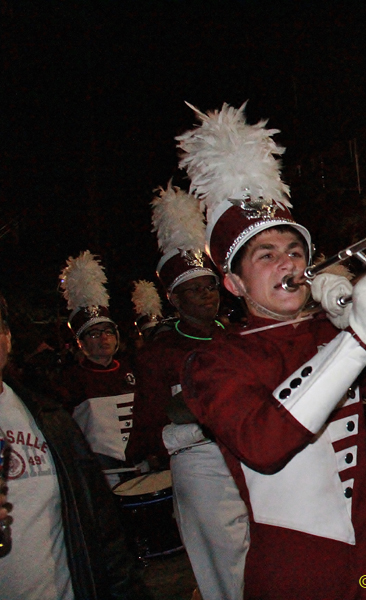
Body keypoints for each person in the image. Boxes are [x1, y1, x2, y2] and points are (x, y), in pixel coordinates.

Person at [177, 102, 366, 599]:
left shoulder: (333, 332)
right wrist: (360, 337)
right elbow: (264, 444)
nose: (288, 263)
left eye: (295, 251)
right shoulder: (213, 361)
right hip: (292, 570)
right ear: (234, 283)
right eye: (266, 255)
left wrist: (361, 324)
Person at [126, 182, 250, 600]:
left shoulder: (235, 336)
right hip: (201, 470)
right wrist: (193, 429)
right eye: (193, 290)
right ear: (174, 299)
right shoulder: (159, 353)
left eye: (210, 286)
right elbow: (149, 423)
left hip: (250, 457)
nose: (206, 296)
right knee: (226, 566)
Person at [0, 292, 152, 600]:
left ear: (6, 337)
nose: (102, 340)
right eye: (92, 334)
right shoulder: (67, 383)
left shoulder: (47, 416)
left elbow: (98, 529)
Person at [58, 251, 139, 486]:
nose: (103, 338)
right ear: (80, 342)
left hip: (140, 467)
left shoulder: (132, 370)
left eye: (107, 331)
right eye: (94, 333)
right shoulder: (72, 379)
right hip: (102, 476)